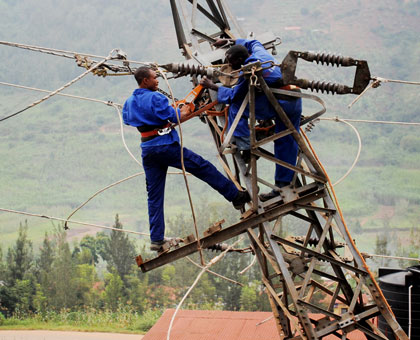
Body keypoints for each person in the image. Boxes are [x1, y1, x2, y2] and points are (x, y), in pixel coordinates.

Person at [123, 66, 250, 251]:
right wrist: (183, 110)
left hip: (148, 149)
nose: (157, 80)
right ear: (145, 81)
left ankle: (156, 239)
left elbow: (131, 119)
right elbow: (176, 116)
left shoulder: (129, 102)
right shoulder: (156, 97)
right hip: (165, 145)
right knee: (202, 167)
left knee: (154, 195)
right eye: (154, 77)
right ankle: (235, 195)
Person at [200, 39, 302, 201]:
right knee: (286, 142)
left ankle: (245, 144)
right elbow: (253, 42)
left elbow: (234, 96)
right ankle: (283, 184)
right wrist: (231, 41)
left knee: (236, 108)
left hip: (279, 104)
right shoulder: (260, 53)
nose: (231, 66)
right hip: (294, 100)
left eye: (232, 63)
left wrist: (213, 86)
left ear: (241, 60)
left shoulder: (248, 70)